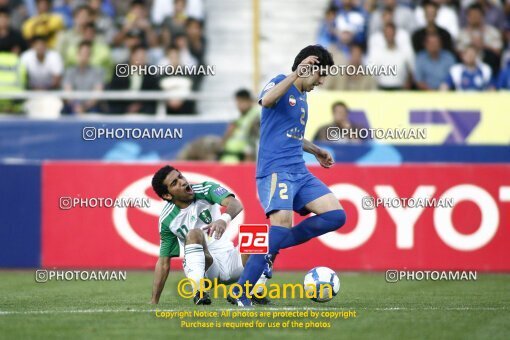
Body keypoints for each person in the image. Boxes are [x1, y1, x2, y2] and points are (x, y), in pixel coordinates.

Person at [232, 45, 346, 307]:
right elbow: (266, 101)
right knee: (281, 225)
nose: (321, 81)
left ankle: (272, 248)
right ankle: (242, 290)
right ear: (307, 68)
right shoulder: (280, 82)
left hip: (299, 171)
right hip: (275, 170)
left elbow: (292, 134)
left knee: (336, 215)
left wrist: (316, 149)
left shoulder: (303, 98)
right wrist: (295, 74)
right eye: (319, 75)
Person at [150, 165, 270, 305]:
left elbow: (235, 204)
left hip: (231, 260)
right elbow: (164, 263)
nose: (182, 182)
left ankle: (251, 291)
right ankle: (199, 292)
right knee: (194, 233)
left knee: (258, 235)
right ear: (167, 195)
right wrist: (154, 301)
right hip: (206, 270)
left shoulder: (206, 189)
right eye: (174, 183)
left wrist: (223, 220)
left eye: (180, 176)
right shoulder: (167, 220)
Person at [107, 44, 160, 114]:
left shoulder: (150, 72)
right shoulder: (120, 70)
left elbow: (154, 91)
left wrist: (139, 106)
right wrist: (128, 107)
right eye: (138, 56)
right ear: (132, 56)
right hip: (122, 108)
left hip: (143, 109)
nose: (141, 59)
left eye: (143, 56)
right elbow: (114, 90)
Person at [62, 41, 104, 114]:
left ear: (90, 56)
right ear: (77, 54)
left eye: (87, 54)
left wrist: (84, 107)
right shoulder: (70, 72)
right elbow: (67, 92)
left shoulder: (97, 72)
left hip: (91, 107)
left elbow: (97, 94)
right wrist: (76, 106)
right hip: (73, 106)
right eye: (82, 53)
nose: (84, 56)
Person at [220, 89, 261, 163]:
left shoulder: (255, 115)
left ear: (249, 101)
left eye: (241, 102)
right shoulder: (241, 117)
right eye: (237, 102)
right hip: (229, 158)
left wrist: (249, 154)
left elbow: (254, 137)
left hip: (242, 159)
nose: (238, 105)